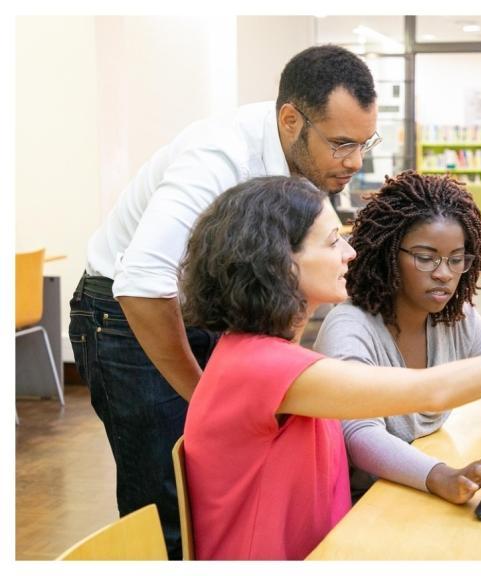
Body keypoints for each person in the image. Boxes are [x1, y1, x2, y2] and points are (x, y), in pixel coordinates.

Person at [179, 176, 481, 560]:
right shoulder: (263, 366)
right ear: (280, 261)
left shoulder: (263, 355)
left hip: (333, 547)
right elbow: (430, 392)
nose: (350, 252)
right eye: (333, 242)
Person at [67, 44, 380, 559]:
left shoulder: (312, 162)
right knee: (170, 502)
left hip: (200, 306)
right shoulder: (218, 156)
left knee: (226, 482)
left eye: (366, 143)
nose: (354, 162)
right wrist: (206, 396)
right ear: (290, 120)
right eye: (342, 143)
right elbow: (141, 283)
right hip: (125, 313)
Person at [313, 171, 481, 504]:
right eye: (425, 257)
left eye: (455, 259)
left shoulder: (454, 317)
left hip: (417, 492)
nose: (444, 274)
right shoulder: (350, 327)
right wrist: (441, 476)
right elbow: (358, 433)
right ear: (388, 255)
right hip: (361, 502)